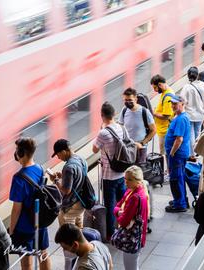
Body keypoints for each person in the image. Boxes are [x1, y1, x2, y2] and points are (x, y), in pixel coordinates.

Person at [9, 138, 52, 270]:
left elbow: (17, 209)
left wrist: (11, 230)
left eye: (16, 150)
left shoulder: (18, 178)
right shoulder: (39, 168)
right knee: (43, 254)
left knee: (25, 259)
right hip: (40, 221)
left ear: (21, 153)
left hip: (24, 227)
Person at [50, 139, 88, 270]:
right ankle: (81, 262)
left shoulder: (68, 167)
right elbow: (78, 179)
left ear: (64, 151)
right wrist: (64, 178)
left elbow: (66, 190)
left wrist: (55, 180)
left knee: (68, 240)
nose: (58, 157)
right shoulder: (80, 159)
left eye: (58, 154)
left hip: (69, 208)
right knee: (79, 235)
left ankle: (68, 267)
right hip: (80, 205)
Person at [93, 102, 128, 240]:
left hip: (108, 175)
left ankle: (111, 233)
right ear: (114, 114)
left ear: (102, 116)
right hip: (122, 173)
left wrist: (101, 130)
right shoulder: (121, 128)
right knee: (122, 203)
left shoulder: (103, 132)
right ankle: (123, 228)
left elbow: (94, 149)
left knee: (110, 206)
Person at [113, 166, 149, 270]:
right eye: (125, 179)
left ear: (137, 181)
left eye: (129, 179)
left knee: (130, 267)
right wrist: (118, 212)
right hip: (137, 236)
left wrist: (118, 214)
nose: (126, 182)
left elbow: (123, 222)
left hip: (132, 238)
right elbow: (118, 206)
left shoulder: (134, 197)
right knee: (133, 265)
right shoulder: (135, 191)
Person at [164, 95, 191, 212]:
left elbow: (179, 139)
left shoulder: (180, 119)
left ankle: (179, 204)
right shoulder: (180, 116)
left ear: (182, 104)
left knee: (175, 179)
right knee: (179, 177)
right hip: (179, 154)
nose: (173, 106)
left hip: (177, 155)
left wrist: (172, 153)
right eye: (172, 104)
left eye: (175, 104)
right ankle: (181, 200)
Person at [118, 88, 156, 163]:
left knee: (139, 172)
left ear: (136, 99)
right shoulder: (124, 110)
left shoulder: (144, 112)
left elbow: (153, 130)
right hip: (127, 147)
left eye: (130, 100)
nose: (127, 102)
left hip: (140, 149)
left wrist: (142, 143)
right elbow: (120, 126)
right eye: (125, 100)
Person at [179, 66, 204, 155]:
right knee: (198, 132)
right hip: (201, 114)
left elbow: (182, 101)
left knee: (190, 134)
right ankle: (198, 151)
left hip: (190, 115)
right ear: (197, 75)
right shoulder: (203, 85)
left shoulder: (186, 87)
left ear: (188, 76)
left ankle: (192, 153)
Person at [150, 75, 175, 159]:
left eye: (155, 88)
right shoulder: (165, 92)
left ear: (160, 85)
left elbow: (166, 116)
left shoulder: (168, 96)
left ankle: (168, 171)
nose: (154, 90)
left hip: (165, 131)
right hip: (162, 130)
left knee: (165, 154)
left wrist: (154, 113)